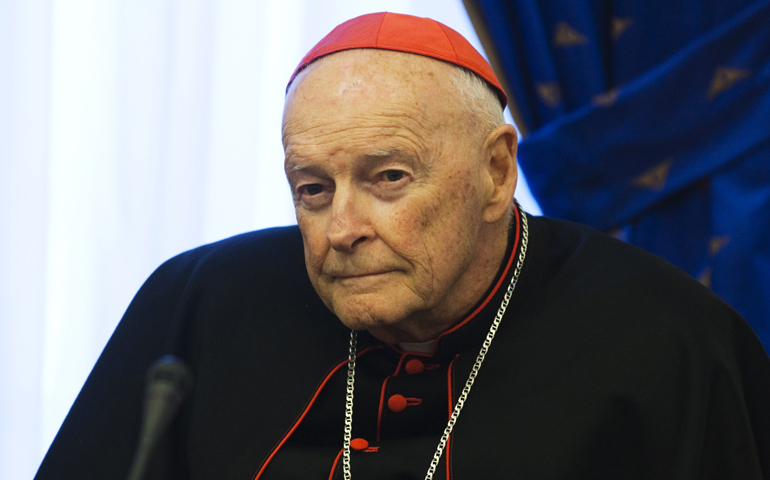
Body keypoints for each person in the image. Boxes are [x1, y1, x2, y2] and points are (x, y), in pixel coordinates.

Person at [35, 12, 770, 480]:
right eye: (312, 188)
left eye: (388, 178)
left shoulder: (669, 339)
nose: (341, 229)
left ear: (494, 172)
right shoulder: (200, 301)